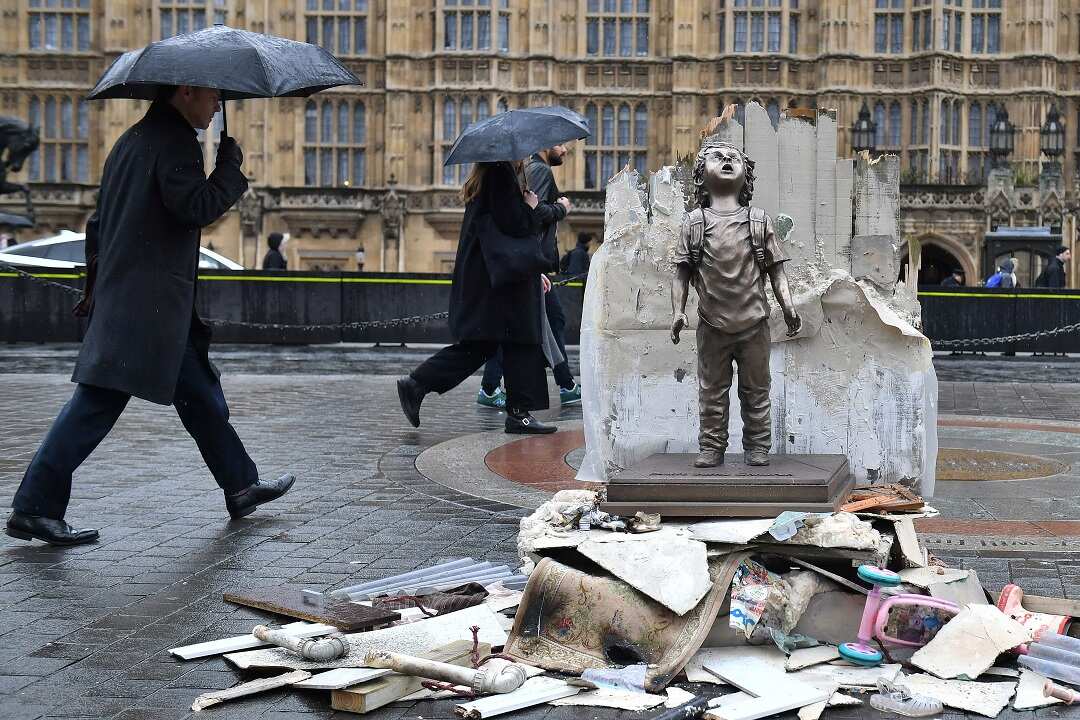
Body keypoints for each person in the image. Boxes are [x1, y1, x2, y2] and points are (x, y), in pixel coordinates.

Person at [5, 85, 295, 547]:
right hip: (147, 305)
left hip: (143, 300)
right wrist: (228, 168)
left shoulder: (132, 139)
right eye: (212, 97)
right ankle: (34, 507)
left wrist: (100, 284)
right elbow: (194, 208)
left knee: (199, 394)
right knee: (95, 404)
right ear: (187, 92)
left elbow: (98, 223)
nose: (217, 106)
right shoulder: (174, 140)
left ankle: (241, 485)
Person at [398, 160, 556, 434]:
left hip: (492, 278)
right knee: (515, 341)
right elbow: (514, 225)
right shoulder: (500, 173)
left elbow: (501, 231)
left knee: (487, 344)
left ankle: (418, 384)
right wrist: (531, 207)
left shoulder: (490, 175)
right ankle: (518, 414)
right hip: (499, 282)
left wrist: (532, 269)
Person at [671, 138, 801, 468]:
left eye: (735, 158)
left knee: (756, 390)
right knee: (711, 391)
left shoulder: (758, 220)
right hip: (711, 324)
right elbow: (681, 274)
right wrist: (677, 312)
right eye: (717, 157)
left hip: (754, 323)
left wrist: (788, 307)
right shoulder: (694, 222)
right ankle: (711, 447)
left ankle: (757, 446)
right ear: (701, 175)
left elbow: (777, 271)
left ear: (747, 176)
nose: (727, 160)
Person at [478, 144, 581, 409]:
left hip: (531, 264)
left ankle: (565, 384)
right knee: (526, 325)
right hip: (530, 263)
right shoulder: (540, 170)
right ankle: (560, 386)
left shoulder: (533, 169)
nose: (565, 150)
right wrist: (562, 208)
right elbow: (531, 215)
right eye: (561, 143)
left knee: (550, 320)